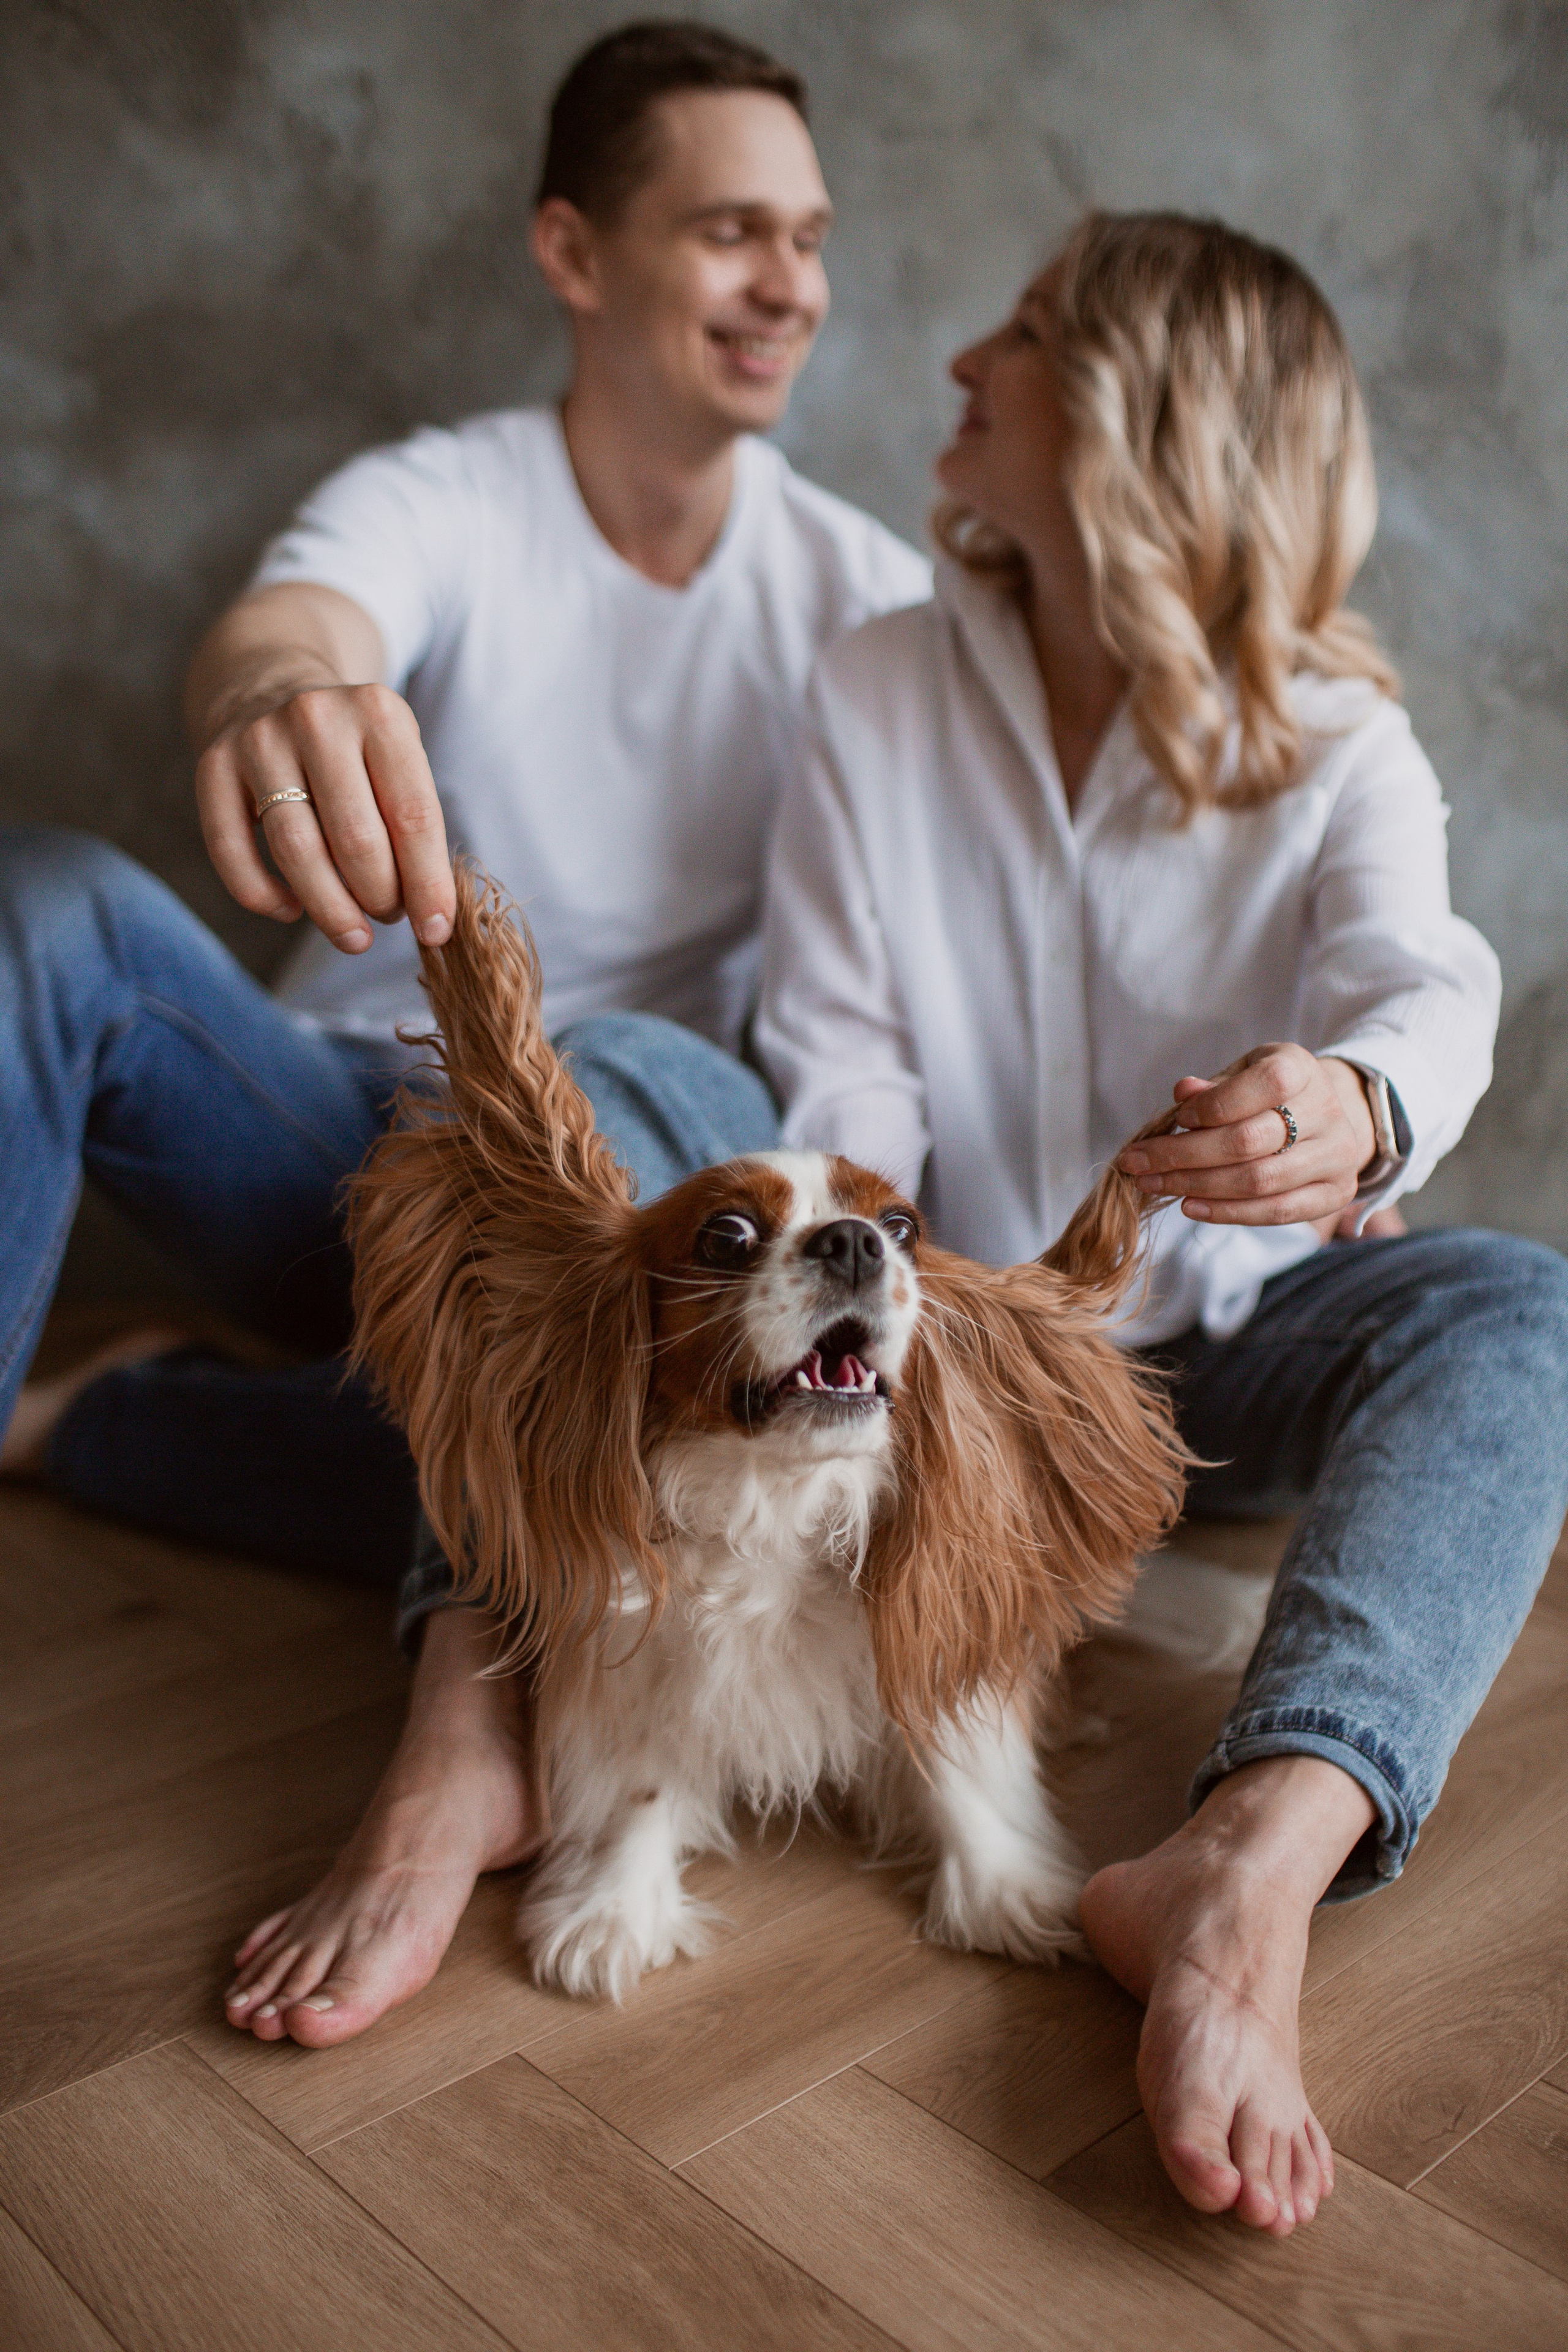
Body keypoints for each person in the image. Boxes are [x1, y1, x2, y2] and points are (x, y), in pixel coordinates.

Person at [0, 23, 927, 2038]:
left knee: (590, 1098)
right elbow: (295, 625)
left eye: (810, 237)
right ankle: (159, 1417)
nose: (790, 283)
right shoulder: (446, 497)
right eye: (732, 231)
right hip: (353, 1149)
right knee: (42, 908)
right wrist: (279, 695)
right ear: (574, 252)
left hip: (661, 1186)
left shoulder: (866, 598)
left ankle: (462, 1718)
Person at [756, 209, 1568, 2237]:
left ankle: (1248, 1864)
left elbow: (1424, 986)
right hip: (954, 1353)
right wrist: (926, 1342)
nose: (965, 362)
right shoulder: (874, 687)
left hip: (1236, 1349)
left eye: (1025, 335)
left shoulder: (1339, 741)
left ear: (1150, 422)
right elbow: (842, 1086)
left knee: (1520, 1311)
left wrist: (1360, 1109)